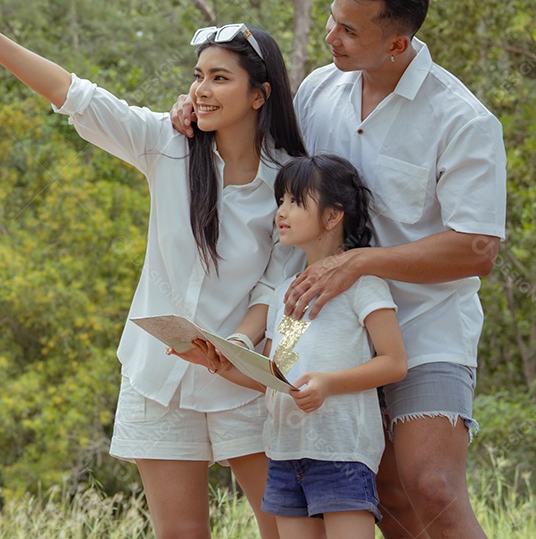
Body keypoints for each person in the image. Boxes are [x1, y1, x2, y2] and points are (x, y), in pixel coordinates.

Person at [0, 3, 307, 539]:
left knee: (289, 534)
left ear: (259, 94)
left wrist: (233, 347)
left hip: (241, 381)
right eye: (198, 76)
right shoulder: (166, 143)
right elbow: (76, 95)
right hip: (159, 377)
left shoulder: (289, 180)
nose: (202, 89)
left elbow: (276, 280)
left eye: (221, 78)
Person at [170, 0, 506, 539]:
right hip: (327, 327)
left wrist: (358, 263)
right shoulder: (320, 90)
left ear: (398, 44)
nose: (332, 36)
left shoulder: (462, 120)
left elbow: (477, 248)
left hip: (427, 326)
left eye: (350, 30)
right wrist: (195, 109)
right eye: (332, 18)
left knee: (431, 485)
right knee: (384, 494)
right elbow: (264, 156)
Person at [172, 153, 407, 539]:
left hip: (342, 453)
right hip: (283, 455)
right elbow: (276, 377)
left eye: (296, 201)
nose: (281, 211)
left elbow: (395, 362)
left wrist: (329, 383)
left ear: (333, 216)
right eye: (281, 200)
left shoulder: (364, 284)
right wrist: (212, 361)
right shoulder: (283, 293)